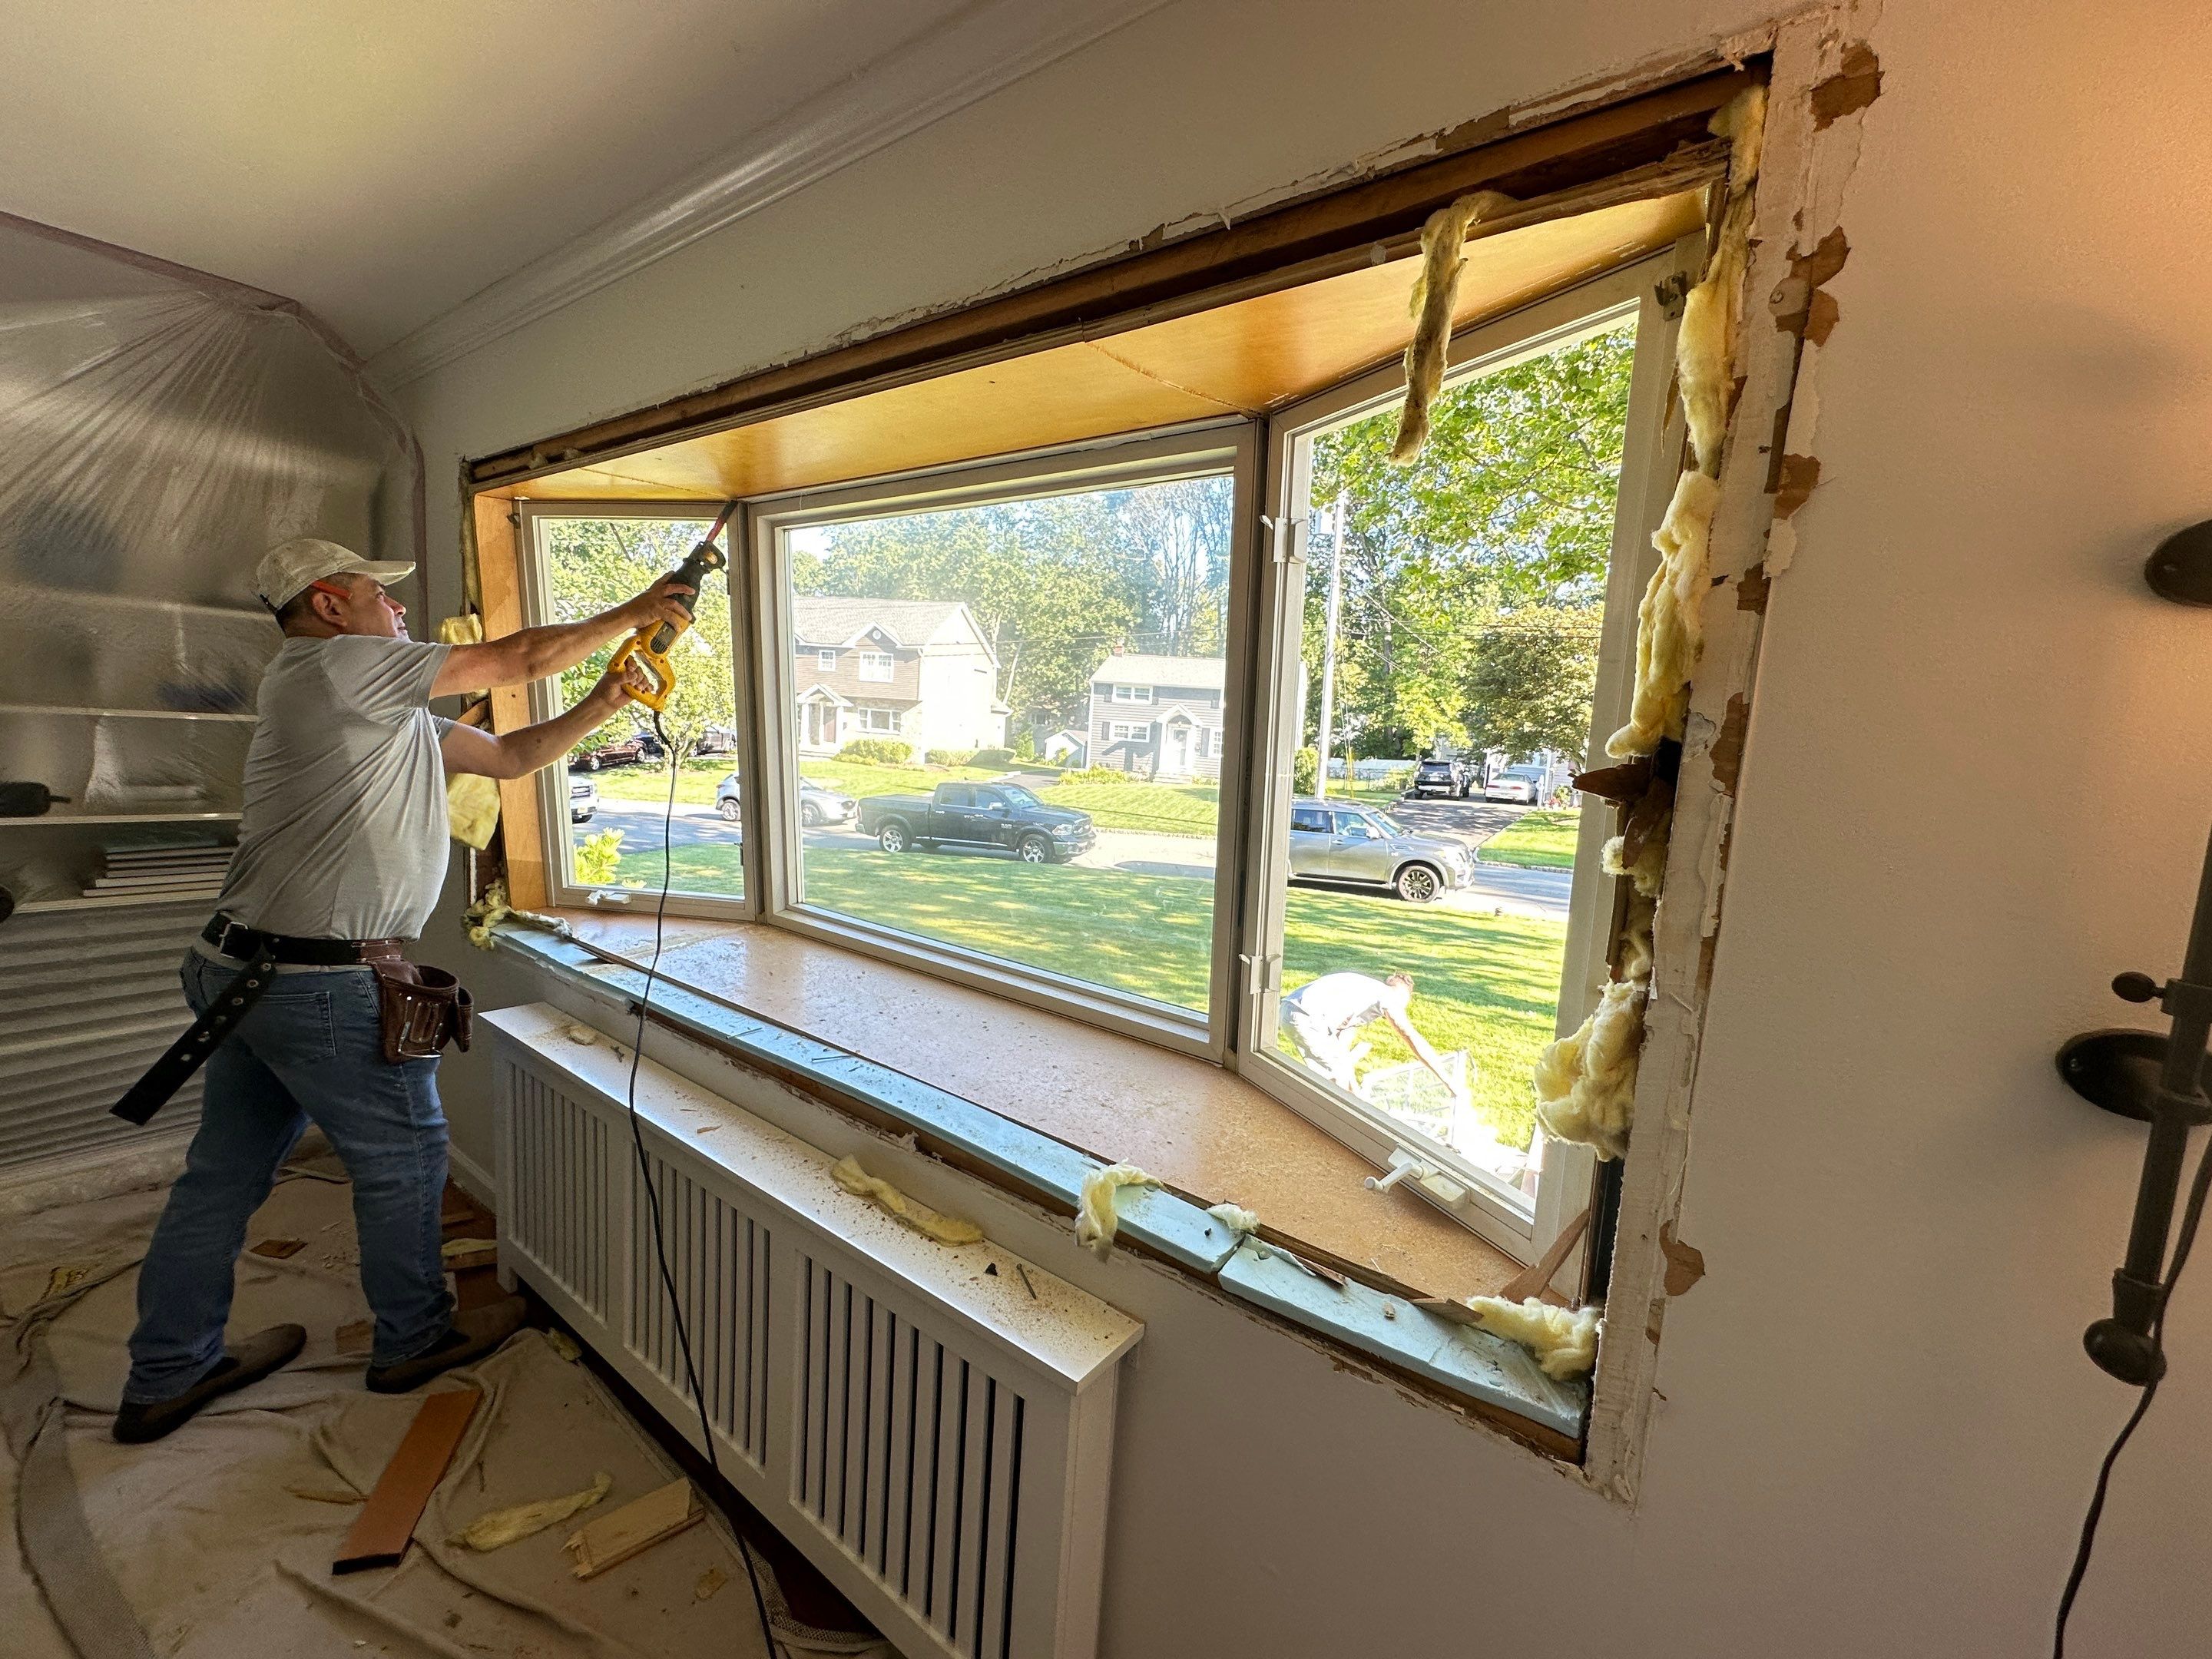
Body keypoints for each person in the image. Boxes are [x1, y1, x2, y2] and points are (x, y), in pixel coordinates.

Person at [114, 537, 694, 1445]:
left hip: (244, 972)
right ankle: (415, 1338)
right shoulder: (337, 669)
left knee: (224, 1172)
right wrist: (634, 612)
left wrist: (608, 695)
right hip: (314, 982)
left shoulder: (373, 711)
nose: (399, 616)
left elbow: (507, 758)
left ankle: (166, 1371)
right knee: (408, 1156)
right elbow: (515, 659)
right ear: (331, 608)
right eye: (381, 602)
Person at [1278, 970, 1466, 1101]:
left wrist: (1356, 1092)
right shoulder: (1389, 996)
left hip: (1289, 1009)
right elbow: (1411, 1036)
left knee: (1339, 1077)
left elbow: (1342, 1054)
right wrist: (1448, 1081)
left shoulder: (1363, 994)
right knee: (1335, 1085)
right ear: (1402, 994)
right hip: (1307, 1017)